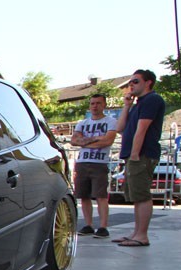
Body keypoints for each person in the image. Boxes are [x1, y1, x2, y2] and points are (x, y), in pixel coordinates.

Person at [113, 69, 166, 247]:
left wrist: (135, 154)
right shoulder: (138, 104)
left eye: (135, 81)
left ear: (148, 82)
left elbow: (142, 129)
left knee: (142, 195)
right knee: (136, 195)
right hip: (133, 155)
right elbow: (120, 128)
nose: (131, 85)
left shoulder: (152, 100)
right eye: (130, 82)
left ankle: (142, 235)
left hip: (142, 154)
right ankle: (136, 233)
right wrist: (127, 105)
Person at [71, 94, 118, 238]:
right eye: (92, 103)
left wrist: (85, 142)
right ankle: (88, 225)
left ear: (104, 105)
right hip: (82, 162)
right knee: (83, 195)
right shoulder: (82, 123)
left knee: (100, 195)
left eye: (98, 103)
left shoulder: (110, 122)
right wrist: (96, 139)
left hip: (100, 163)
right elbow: (74, 140)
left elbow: (107, 141)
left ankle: (103, 226)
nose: (95, 106)